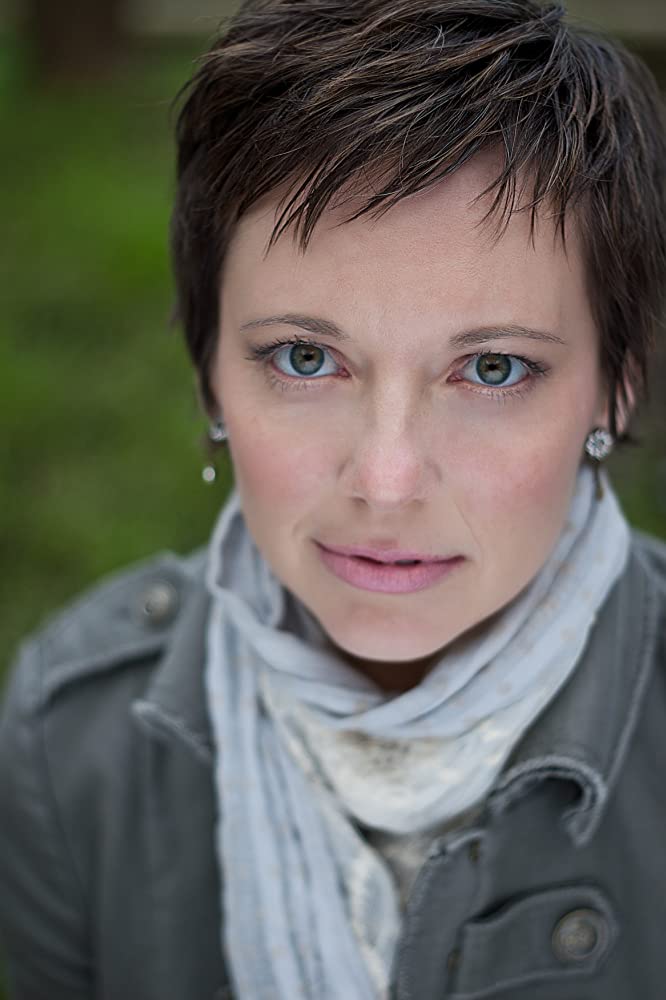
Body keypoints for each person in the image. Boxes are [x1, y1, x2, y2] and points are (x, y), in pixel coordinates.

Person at [1, 0, 666, 997]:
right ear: (208, 376)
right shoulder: (71, 740)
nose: (386, 481)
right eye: (306, 358)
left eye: (492, 368)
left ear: (615, 387)